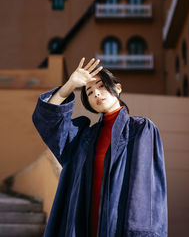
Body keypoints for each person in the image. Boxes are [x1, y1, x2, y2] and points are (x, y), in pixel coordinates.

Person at [32, 57, 168, 237]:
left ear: (117, 88)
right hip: (84, 225)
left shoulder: (140, 129)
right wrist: (70, 85)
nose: (96, 93)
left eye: (101, 86)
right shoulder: (84, 137)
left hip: (118, 227)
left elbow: (145, 189)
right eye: (89, 92)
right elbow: (49, 124)